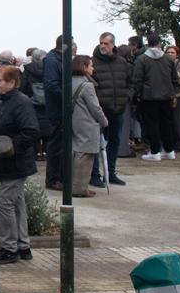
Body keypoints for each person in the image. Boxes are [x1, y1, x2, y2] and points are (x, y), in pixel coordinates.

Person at [0, 65, 40, 264]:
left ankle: (10, 248)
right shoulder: (3, 101)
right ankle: (23, 246)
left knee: (4, 202)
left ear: (12, 83)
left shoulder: (21, 103)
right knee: (16, 203)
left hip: (16, 162)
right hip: (6, 163)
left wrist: (8, 148)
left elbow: (31, 131)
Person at [91, 33, 131, 186]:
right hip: (101, 109)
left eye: (106, 43)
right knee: (96, 143)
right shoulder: (93, 62)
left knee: (114, 141)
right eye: (101, 42)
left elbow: (131, 81)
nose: (103, 46)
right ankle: (94, 174)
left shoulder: (122, 62)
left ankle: (111, 173)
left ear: (113, 44)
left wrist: (127, 96)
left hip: (118, 107)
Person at [131, 34, 177, 161]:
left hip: (149, 97)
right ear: (160, 43)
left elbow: (137, 79)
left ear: (147, 44)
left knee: (152, 124)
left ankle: (155, 151)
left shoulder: (142, 59)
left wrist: (139, 94)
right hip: (167, 96)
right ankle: (169, 150)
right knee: (166, 124)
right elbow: (175, 79)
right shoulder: (168, 59)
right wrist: (172, 94)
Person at [70, 55, 108, 198]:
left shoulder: (69, 82)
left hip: (75, 121)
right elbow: (95, 108)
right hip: (87, 123)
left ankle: (76, 186)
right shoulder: (87, 85)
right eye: (90, 65)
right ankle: (80, 188)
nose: (93, 68)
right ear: (84, 67)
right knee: (84, 156)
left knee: (77, 154)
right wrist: (104, 121)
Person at [43, 36, 73, 189]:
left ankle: (60, 176)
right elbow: (51, 84)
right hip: (57, 109)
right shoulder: (52, 60)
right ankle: (53, 179)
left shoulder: (58, 59)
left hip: (60, 108)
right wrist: (68, 98)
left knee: (61, 143)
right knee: (56, 145)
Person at [22, 48, 50, 160]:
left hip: (32, 103)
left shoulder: (27, 70)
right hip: (48, 103)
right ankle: (47, 152)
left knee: (34, 127)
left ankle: (36, 152)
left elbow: (23, 87)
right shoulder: (49, 69)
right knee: (48, 127)